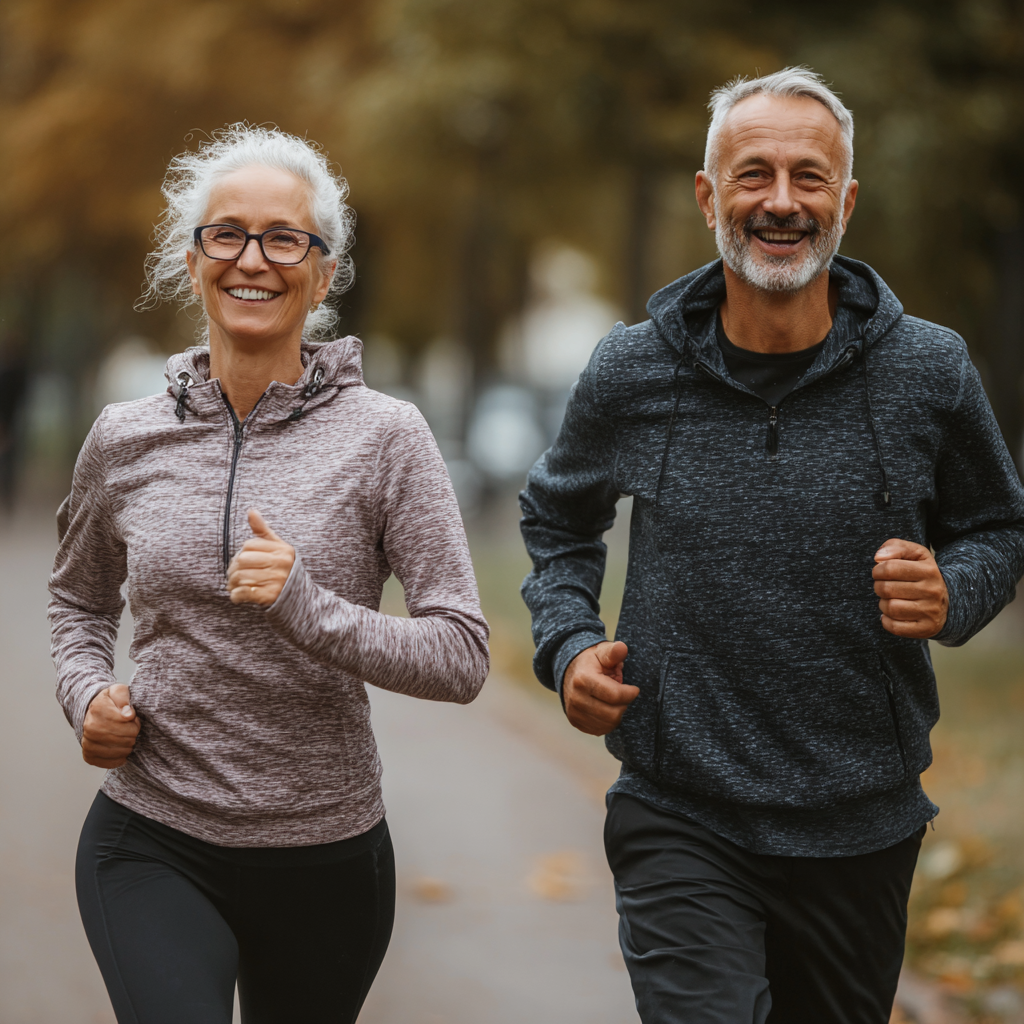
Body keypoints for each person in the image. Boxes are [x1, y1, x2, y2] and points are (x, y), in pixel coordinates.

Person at [519, 67, 1024, 1024]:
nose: (782, 202)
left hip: (861, 820)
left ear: (846, 200)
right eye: (754, 175)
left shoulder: (930, 369)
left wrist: (953, 591)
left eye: (809, 176)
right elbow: (557, 521)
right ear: (710, 196)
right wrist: (569, 643)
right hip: (680, 808)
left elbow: (999, 526)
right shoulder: (634, 368)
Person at [49, 124, 489, 1024]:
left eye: (285, 237)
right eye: (228, 233)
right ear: (195, 257)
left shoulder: (386, 439)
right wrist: (85, 693)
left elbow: (462, 654)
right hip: (152, 835)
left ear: (323, 272)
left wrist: (306, 606)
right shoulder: (123, 439)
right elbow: (77, 601)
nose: (254, 258)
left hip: (327, 858)